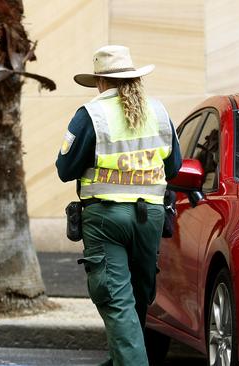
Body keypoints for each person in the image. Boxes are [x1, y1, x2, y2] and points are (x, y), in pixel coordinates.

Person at [55, 45, 182, 366]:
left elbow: (65, 169)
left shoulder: (91, 115)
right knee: (138, 297)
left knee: (116, 299)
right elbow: (174, 166)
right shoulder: (159, 112)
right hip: (150, 216)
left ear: (100, 81)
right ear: (134, 78)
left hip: (106, 218)